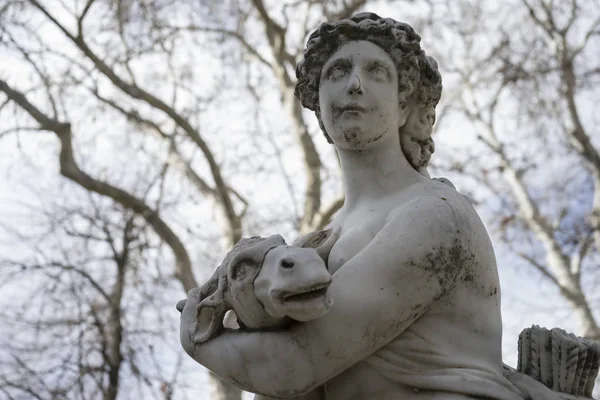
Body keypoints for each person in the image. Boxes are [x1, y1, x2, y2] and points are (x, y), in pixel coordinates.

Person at [179, 12, 525, 400]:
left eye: (377, 72)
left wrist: (198, 337)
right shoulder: (316, 244)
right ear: (320, 107)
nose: (355, 84)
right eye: (337, 72)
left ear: (405, 106)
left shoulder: (437, 214)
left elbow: (294, 365)